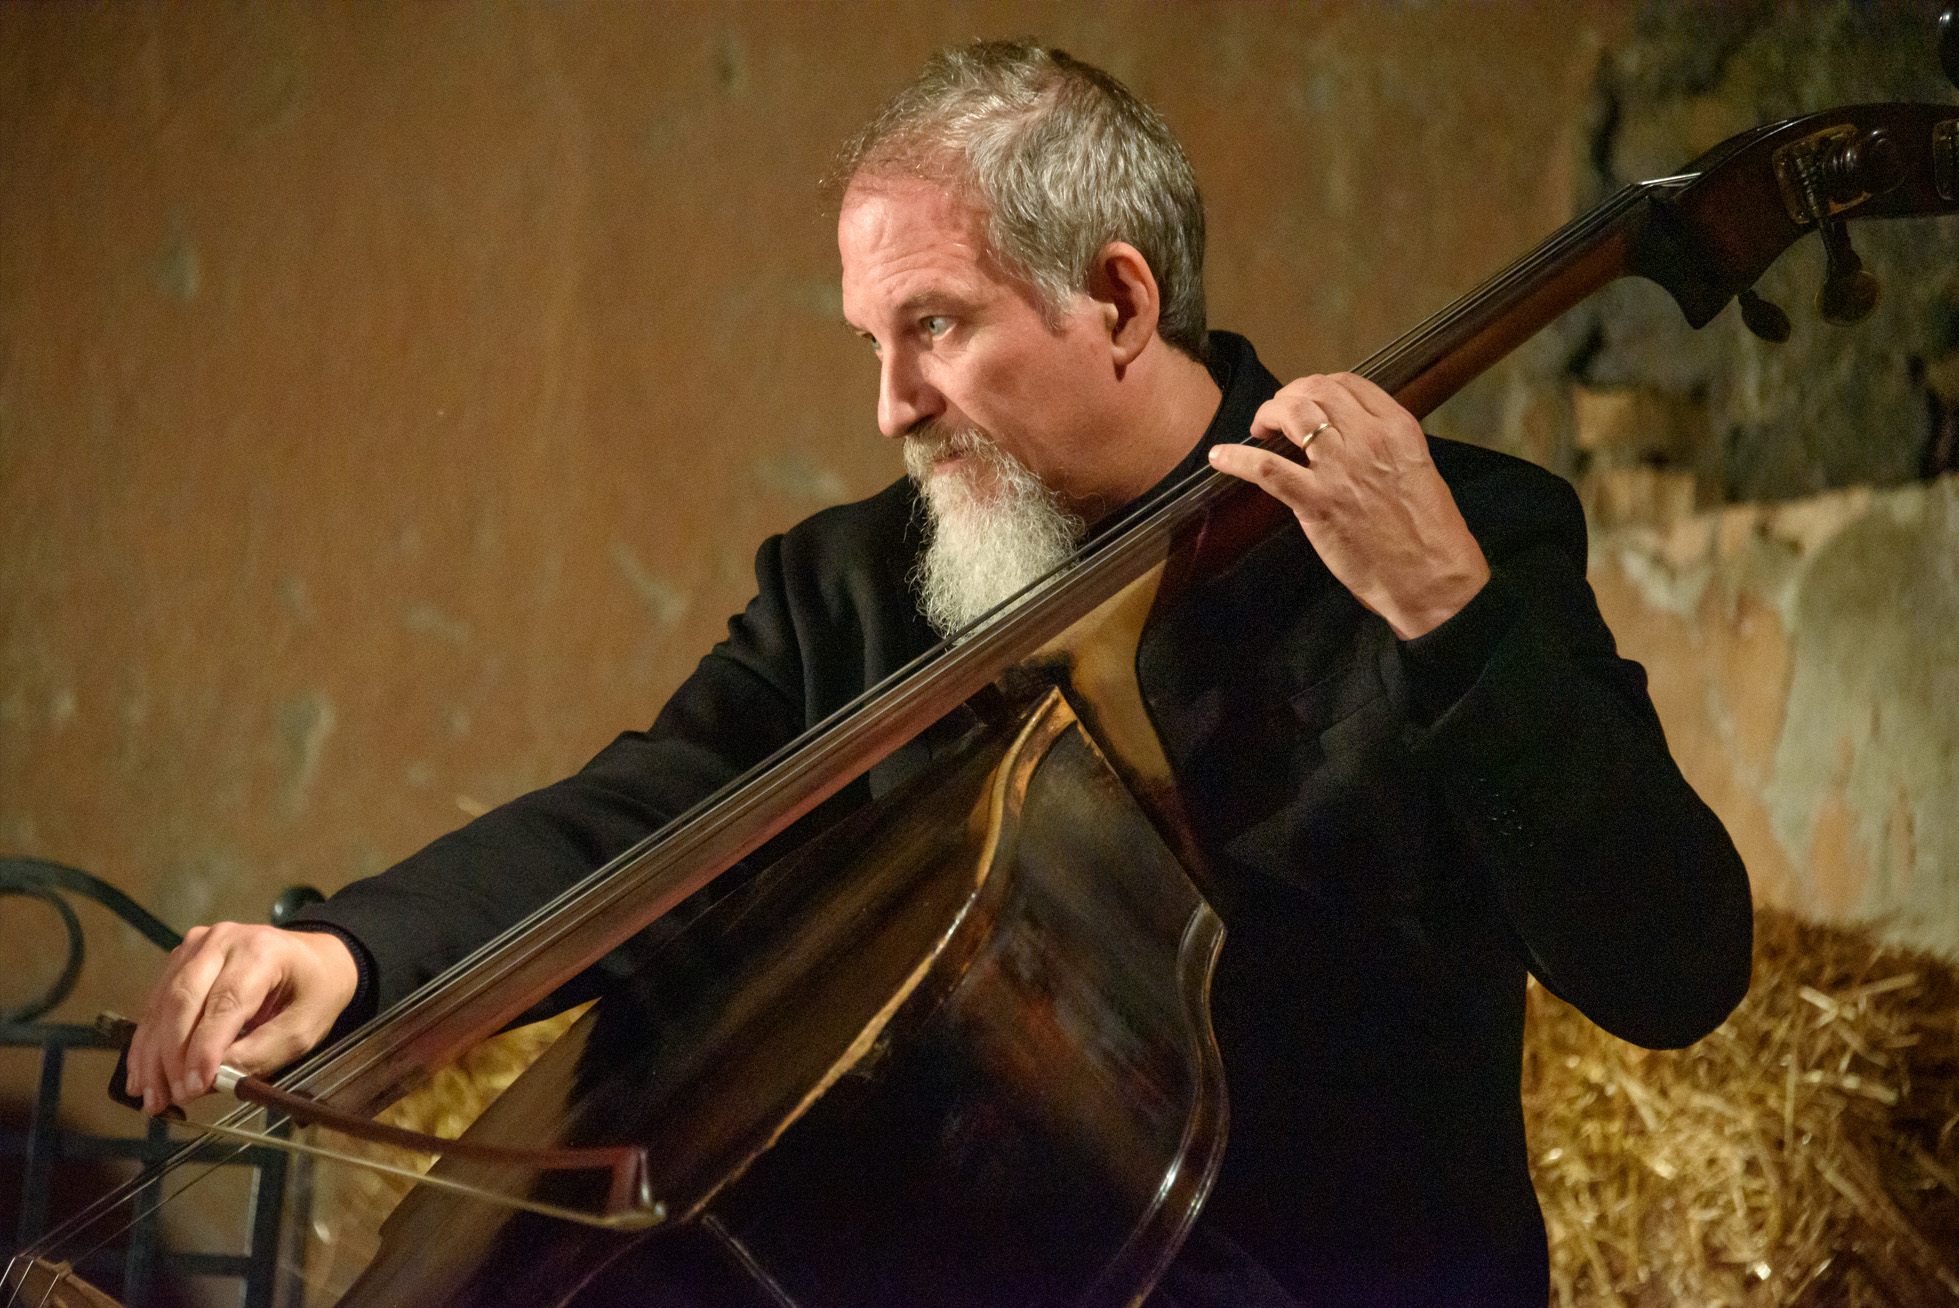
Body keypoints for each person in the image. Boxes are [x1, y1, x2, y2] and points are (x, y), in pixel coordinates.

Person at [122, 40, 1753, 1308]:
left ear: (1120, 296)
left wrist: (1451, 616)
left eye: (936, 327)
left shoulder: (1448, 535)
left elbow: (1675, 966)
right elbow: (642, 819)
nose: (891, 404)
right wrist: (354, 955)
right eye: (870, 342)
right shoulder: (849, 590)